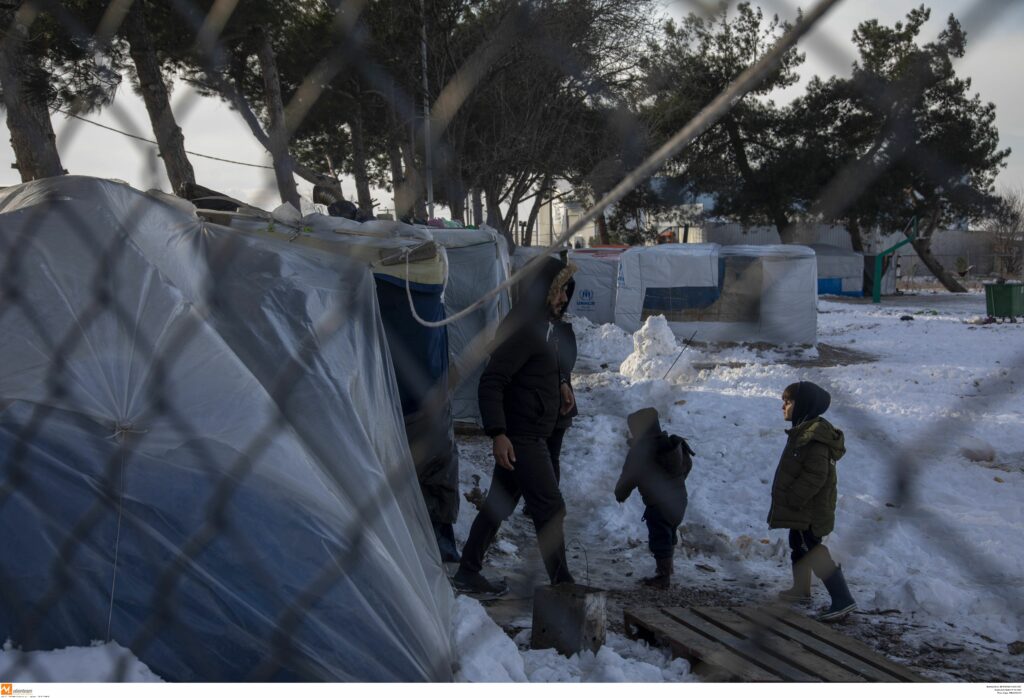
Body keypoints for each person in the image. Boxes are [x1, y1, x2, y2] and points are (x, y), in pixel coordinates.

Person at [452, 257, 578, 595]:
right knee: (550, 508)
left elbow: (536, 371)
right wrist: (498, 434)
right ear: (543, 292)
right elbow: (492, 382)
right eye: (558, 292)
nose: (564, 298)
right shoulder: (523, 329)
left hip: (530, 433)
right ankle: (563, 587)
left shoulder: (542, 326)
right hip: (522, 437)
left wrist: (561, 384)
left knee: (499, 505)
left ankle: (467, 571)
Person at [768, 381, 856, 622]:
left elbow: (817, 475)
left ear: (803, 405)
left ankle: (842, 599)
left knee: (813, 548)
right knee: (798, 543)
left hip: (810, 509)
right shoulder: (803, 430)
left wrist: (795, 497)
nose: (783, 406)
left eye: (788, 402)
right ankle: (801, 590)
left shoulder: (814, 437)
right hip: (803, 508)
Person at [614, 407, 694, 590]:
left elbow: (628, 478)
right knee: (669, 534)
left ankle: (663, 577)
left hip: (658, 505)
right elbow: (687, 466)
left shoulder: (639, 454)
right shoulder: (674, 445)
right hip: (680, 500)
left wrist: (620, 494)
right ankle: (668, 569)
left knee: (660, 537)